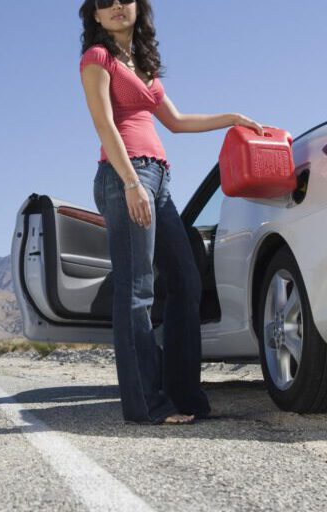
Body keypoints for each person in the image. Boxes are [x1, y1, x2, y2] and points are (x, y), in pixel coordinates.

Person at [79, 0, 264, 424]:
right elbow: (104, 124)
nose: (116, 7)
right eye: (104, 3)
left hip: (159, 180)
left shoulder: (142, 64)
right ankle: (146, 404)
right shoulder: (97, 58)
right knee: (137, 290)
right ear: (95, 15)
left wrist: (232, 118)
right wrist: (130, 183)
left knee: (186, 278)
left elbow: (177, 122)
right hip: (125, 176)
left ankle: (182, 393)